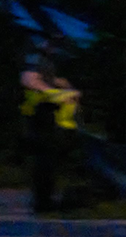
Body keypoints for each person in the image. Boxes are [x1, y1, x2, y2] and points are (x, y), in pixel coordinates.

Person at [20, 38, 81, 213]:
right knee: (44, 163)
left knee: (49, 162)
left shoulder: (44, 60)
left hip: (47, 119)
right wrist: (58, 94)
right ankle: (42, 203)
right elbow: (29, 80)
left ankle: (46, 201)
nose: (54, 50)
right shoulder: (35, 58)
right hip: (39, 118)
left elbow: (45, 80)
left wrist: (60, 83)